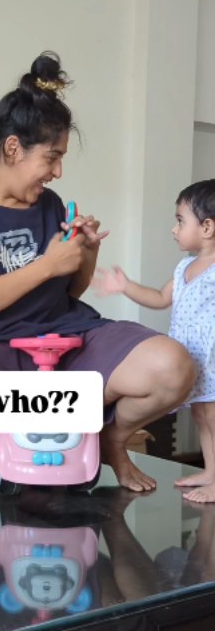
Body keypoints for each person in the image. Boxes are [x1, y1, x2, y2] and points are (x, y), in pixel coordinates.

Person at [0, 50, 195, 492]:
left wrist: (84, 254)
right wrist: (45, 265)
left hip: (61, 338)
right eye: (51, 158)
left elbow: (66, 293)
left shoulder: (49, 205)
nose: (58, 172)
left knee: (172, 367)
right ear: (12, 149)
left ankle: (111, 440)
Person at [92, 180, 215, 503]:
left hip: (212, 357)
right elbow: (160, 298)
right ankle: (211, 471)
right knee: (202, 417)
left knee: (214, 418)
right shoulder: (185, 267)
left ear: (207, 227)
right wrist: (125, 286)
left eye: (180, 221)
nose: (174, 229)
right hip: (193, 359)